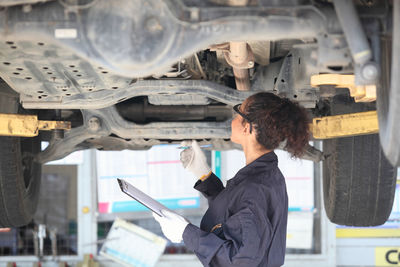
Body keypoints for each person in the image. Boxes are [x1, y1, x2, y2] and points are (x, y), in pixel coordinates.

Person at [153, 92, 310, 267]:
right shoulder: (264, 176)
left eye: (238, 113)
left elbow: (239, 262)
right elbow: (235, 212)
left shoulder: (256, 186)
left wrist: (186, 233)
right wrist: (204, 175)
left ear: (248, 127)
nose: (233, 119)